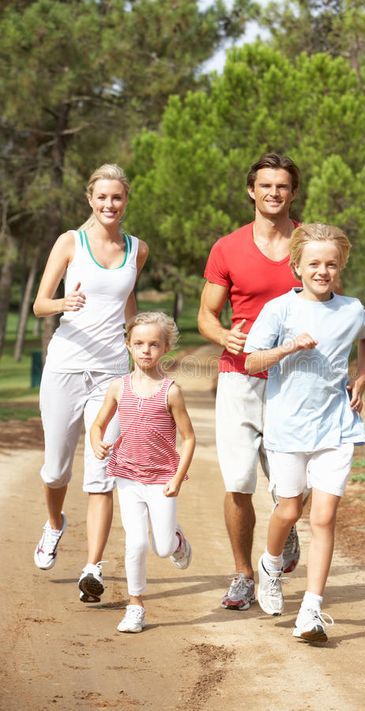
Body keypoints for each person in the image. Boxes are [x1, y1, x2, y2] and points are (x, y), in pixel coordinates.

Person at [244, 222, 365, 643]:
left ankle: (312, 611)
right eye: (314, 263)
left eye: (332, 264)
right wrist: (288, 348)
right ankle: (270, 564)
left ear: (341, 267)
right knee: (288, 510)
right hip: (287, 426)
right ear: (296, 264)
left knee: (324, 516)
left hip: (336, 426)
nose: (323, 271)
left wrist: (362, 377)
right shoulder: (280, 310)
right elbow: (251, 362)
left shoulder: (352, 309)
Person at [33, 163, 149, 603]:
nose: (109, 204)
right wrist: (66, 300)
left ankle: (93, 567)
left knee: (101, 472)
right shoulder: (69, 242)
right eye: (102, 197)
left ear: (125, 200)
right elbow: (41, 305)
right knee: (56, 469)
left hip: (110, 373)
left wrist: (142, 344)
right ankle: (54, 523)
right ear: (90, 199)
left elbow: (128, 302)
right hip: (65, 366)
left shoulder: (137, 249)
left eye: (116, 197)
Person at [198, 153, 303, 611]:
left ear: (292, 192)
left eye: (282, 186)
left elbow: (327, 299)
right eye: (266, 186)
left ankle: (286, 525)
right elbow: (206, 314)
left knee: (288, 481)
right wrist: (224, 335)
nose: (273, 194)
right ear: (251, 190)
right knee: (239, 480)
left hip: (294, 379)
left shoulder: (307, 243)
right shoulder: (228, 247)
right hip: (239, 376)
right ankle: (243, 574)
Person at [90, 312, 195, 633]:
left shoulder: (170, 391)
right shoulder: (118, 388)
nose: (146, 350)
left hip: (162, 480)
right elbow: (98, 424)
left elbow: (189, 438)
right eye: (139, 344)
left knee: (161, 548)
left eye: (153, 344)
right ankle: (135, 605)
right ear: (128, 346)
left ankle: (176, 540)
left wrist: (177, 478)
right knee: (135, 543)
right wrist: (97, 442)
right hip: (127, 477)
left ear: (165, 348)